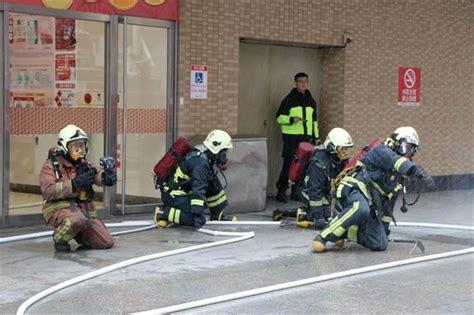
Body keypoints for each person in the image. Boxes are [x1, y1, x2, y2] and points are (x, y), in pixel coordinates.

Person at [312, 127, 435, 253]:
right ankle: (323, 236)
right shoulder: (382, 151)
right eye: (405, 146)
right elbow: (396, 161)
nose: (407, 153)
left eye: (410, 150)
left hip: (369, 202)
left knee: (380, 243)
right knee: (360, 207)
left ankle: (345, 231)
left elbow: (388, 207)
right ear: (395, 143)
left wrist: (384, 231)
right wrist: (419, 172)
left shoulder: (397, 176)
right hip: (352, 189)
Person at [39, 125, 117, 252]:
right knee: (77, 220)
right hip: (59, 207)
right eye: (75, 147)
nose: (80, 150)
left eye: (82, 146)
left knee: (106, 242)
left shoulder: (85, 164)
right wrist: (74, 184)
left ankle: (79, 233)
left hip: (83, 210)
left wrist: (106, 177)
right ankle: (59, 238)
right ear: (65, 147)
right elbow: (48, 191)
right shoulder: (51, 166)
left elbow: (97, 175)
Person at [154, 130, 238, 229]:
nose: (225, 156)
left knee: (212, 181)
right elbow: (198, 189)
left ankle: (217, 214)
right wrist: (197, 215)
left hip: (182, 191)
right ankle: (163, 213)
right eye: (224, 152)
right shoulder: (200, 164)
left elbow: (208, 184)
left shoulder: (203, 155)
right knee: (198, 220)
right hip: (174, 196)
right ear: (217, 149)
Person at [273, 128, 354, 229]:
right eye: (343, 149)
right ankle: (302, 214)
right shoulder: (318, 163)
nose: (346, 152)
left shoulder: (338, 159)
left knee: (335, 215)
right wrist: (318, 217)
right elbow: (315, 191)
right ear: (332, 147)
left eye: (347, 149)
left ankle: (305, 212)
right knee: (328, 218)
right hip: (308, 190)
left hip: (324, 191)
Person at [275, 72, 319, 203]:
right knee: (288, 165)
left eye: (305, 81)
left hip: (307, 139)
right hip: (291, 139)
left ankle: (296, 191)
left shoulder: (311, 101)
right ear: (295, 83)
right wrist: (291, 119)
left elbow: (315, 121)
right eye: (300, 81)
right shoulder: (289, 99)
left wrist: (316, 137)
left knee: (303, 166)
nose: (303, 84)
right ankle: (281, 192)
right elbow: (279, 117)